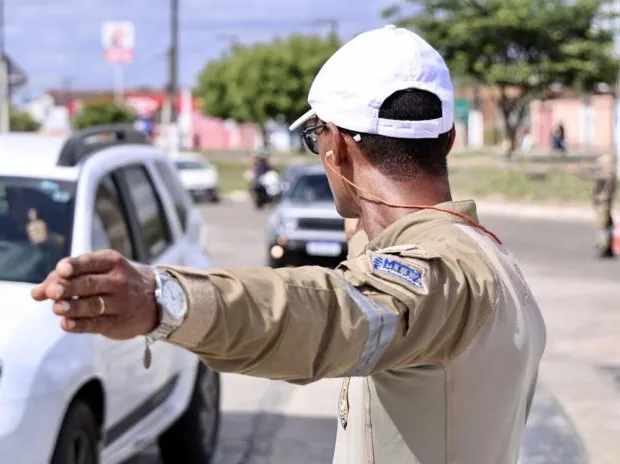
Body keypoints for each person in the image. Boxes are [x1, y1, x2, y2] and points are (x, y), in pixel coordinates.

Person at [31, 25, 547, 464]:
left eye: (317, 138)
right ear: (449, 138)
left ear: (336, 146)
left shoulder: (441, 273)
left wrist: (162, 298)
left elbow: (327, 312)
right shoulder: (489, 256)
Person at [0, 186, 65, 252]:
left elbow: (71, 251)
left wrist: (50, 239)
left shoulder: (61, 222)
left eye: (23, 197)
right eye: (10, 196)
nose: (11, 202)